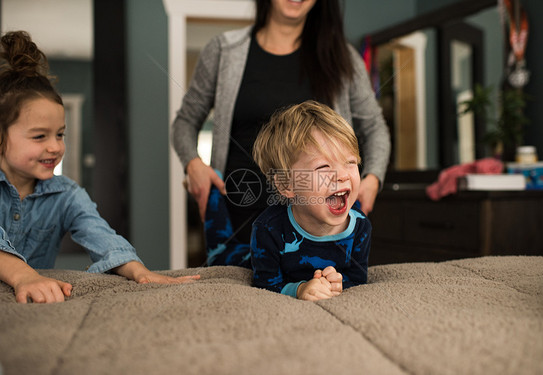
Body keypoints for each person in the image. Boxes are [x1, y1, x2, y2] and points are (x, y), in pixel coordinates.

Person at [172, 0, 389, 263]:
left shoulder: (342, 58)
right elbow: (184, 122)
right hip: (238, 216)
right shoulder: (223, 51)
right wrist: (193, 166)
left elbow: (375, 127)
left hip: (319, 227)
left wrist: (372, 179)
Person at [0, 31, 199, 304]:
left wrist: (138, 271)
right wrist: (24, 276)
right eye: (39, 136)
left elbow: (100, 235)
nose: (55, 147)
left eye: (60, 134)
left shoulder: (67, 195)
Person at [250, 100, 371, 301]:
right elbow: (265, 285)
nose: (342, 175)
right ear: (286, 185)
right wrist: (299, 289)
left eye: (350, 162)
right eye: (323, 167)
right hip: (248, 255)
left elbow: (357, 280)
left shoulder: (360, 227)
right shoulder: (267, 229)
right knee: (225, 253)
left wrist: (338, 283)